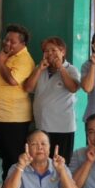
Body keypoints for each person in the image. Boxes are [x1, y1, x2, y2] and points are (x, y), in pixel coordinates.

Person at [0, 24, 35, 180]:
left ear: (22, 44)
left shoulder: (24, 59)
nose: (7, 44)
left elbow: (12, 80)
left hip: (13, 117)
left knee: (14, 156)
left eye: (12, 42)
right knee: (5, 155)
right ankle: (8, 186)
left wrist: (0, 62)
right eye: (6, 40)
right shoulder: (8, 56)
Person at [23, 37, 80, 165]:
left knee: (60, 163)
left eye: (54, 50)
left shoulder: (71, 69)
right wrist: (39, 69)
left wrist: (61, 68)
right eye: (46, 51)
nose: (50, 54)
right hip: (42, 127)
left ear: (63, 52)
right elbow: (28, 88)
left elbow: (73, 88)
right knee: (42, 163)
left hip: (63, 127)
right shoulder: (40, 68)